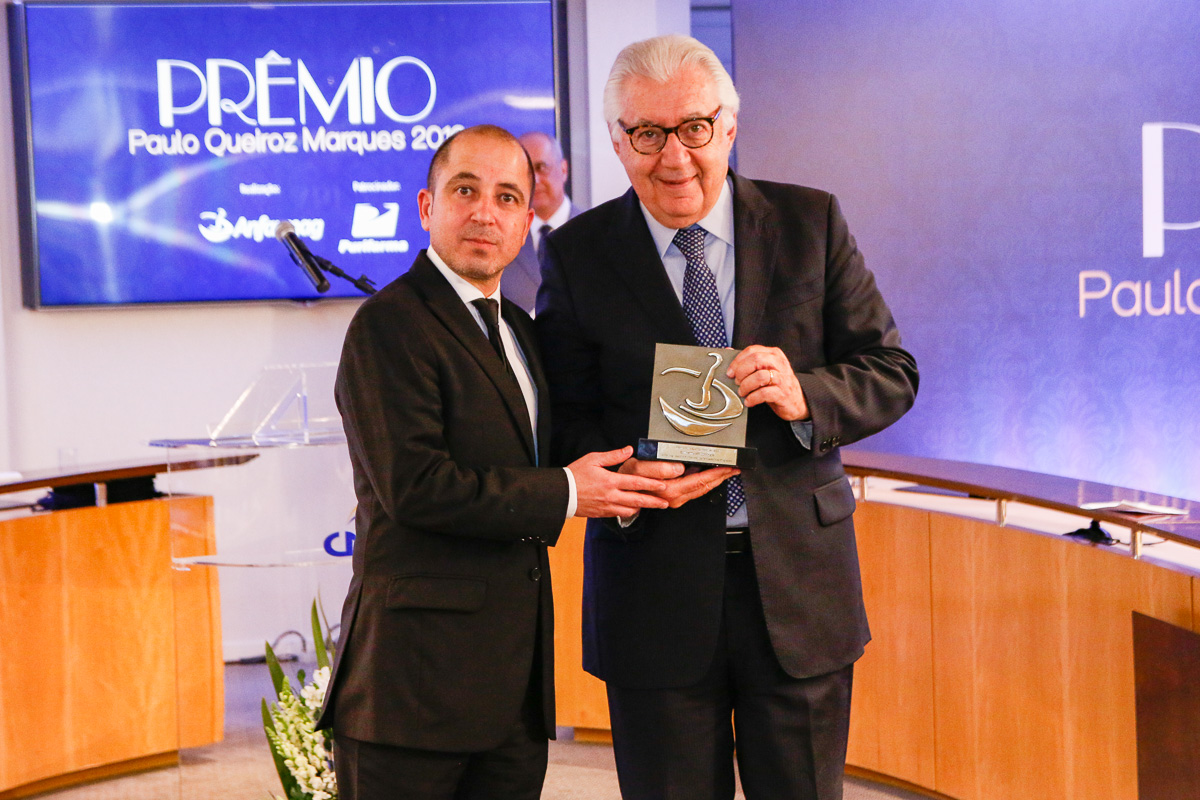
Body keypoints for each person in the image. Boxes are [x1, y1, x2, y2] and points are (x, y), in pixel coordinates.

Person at [535, 35, 919, 800]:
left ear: (730, 127)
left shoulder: (810, 221)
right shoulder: (577, 254)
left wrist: (805, 392)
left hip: (799, 590)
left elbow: (891, 372)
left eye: (694, 128)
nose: (674, 156)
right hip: (652, 589)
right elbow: (564, 417)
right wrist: (626, 474)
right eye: (648, 134)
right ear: (617, 141)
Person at [317, 124, 668, 800]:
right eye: (465, 191)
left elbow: (547, 453)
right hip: (411, 694)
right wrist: (570, 493)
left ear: (527, 219)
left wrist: (634, 472)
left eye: (508, 197)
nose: (486, 212)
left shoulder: (521, 331)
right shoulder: (389, 324)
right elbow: (415, 487)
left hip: (510, 696)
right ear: (427, 207)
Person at [499, 131, 583, 314]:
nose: (535, 180)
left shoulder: (597, 232)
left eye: (541, 167)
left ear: (563, 169)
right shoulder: (500, 238)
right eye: (526, 172)